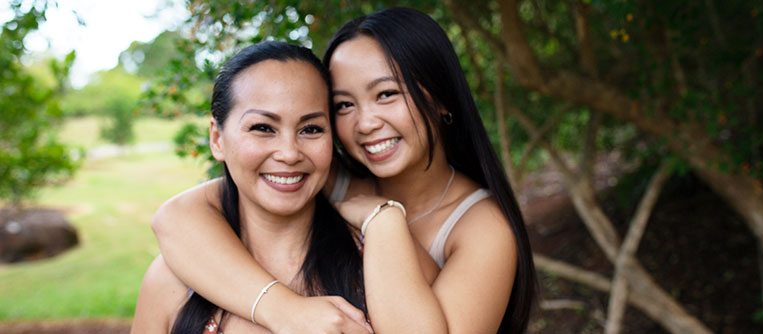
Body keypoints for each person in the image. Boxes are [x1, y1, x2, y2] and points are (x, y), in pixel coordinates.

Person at [151, 7, 536, 333]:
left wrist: (383, 220)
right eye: (343, 105)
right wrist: (283, 309)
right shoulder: (324, 173)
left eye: (386, 94)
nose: (365, 123)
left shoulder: (481, 228)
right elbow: (176, 219)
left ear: (441, 100)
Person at [131, 41, 374, 334]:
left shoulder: (375, 263)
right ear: (217, 139)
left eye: (310, 129)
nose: (289, 152)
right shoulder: (171, 281)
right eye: (263, 127)